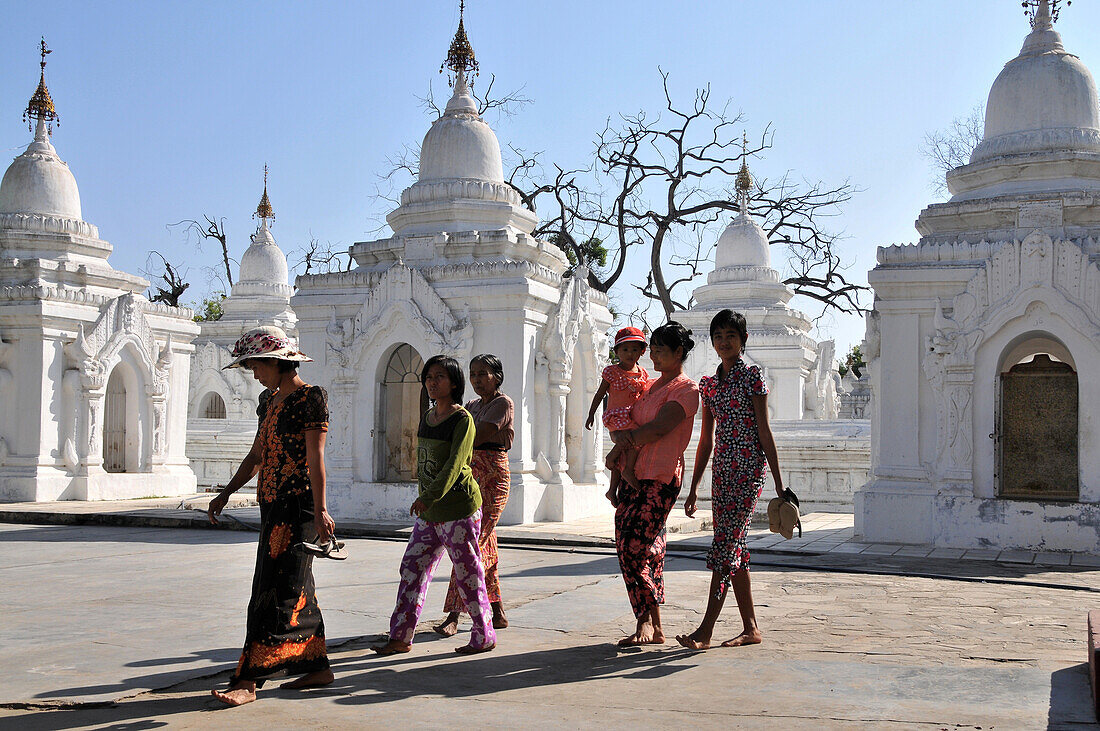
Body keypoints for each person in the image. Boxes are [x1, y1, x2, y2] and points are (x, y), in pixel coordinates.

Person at [207, 326, 335, 706]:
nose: (254, 373)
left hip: (299, 506)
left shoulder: (311, 399)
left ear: (277, 361)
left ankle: (248, 681)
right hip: (271, 503)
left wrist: (323, 510)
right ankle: (317, 666)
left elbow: (316, 458)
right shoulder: (269, 401)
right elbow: (256, 455)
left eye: (256, 365)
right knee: (298, 589)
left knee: (271, 593)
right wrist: (226, 493)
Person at [373, 355, 496, 657]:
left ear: (454, 383)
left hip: (458, 509)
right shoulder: (427, 417)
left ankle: (484, 634)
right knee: (412, 569)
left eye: (439, 377)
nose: (431, 382)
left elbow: (455, 465)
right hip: (429, 513)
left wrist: (429, 496)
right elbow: (425, 464)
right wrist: (426, 500)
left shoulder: (462, 419)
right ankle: (400, 636)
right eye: (428, 377)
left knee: (468, 574)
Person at [677, 310, 784, 650]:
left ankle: (705, 629)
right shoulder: (708, 385)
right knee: (734, 548)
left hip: (749, 471)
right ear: (712, 341)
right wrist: (693, 488)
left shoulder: (754, 378)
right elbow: (705, 439)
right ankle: (751, 629)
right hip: (722, 473)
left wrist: (780, 484)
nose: (724, 342)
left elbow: (764, 432)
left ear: (743, 340)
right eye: (718, 336)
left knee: (724, 549)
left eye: (731, 336)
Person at [610, 321, 699, 646]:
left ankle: (649, 620)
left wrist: (623, 443)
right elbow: (624, 413)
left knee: (639, 547)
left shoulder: (685, 389)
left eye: (662, 349)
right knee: (625, 543)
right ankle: (649, 623)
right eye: (655, 348)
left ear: (679, 352)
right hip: (634, 475)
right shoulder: (648, 386)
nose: (655, 355)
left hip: (661, 476)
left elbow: (660, 428)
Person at [434, 354, 514, 637]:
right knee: (484, 544)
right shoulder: (470, 406)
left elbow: (478, 436)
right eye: (473, 374)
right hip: (470, 475)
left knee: (469, 545)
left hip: (493, 476)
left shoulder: (502, 404)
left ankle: (454, 614)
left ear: (497, 377)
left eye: (483, 373)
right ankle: (498, 612)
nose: (477, 379)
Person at [586, 326, 649, 504]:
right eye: (625, 349)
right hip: (617, 417)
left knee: (628, 450)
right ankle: (616, 460)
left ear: (642, 351)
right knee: (632, 440)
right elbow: (599, 394)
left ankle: (612, 490)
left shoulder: (643, 374)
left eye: (635, 349)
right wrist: (591, 414)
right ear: (617, 351)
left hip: (632, 418)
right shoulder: (611, 372)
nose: (630, 353)